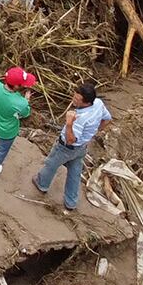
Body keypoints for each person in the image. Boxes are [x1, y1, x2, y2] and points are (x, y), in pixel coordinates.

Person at [32, 79, 112, 212]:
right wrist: (93, 132)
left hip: (66, 148)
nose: (73, 99)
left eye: (77, 98)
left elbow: (71, 140)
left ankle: (42, 184)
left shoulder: (80, 118)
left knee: (51, 164)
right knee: (75, 173)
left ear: (86, 101)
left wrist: (69, 123)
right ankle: (71, 202)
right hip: (81, 148)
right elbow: (107, 119)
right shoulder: (98, 104)